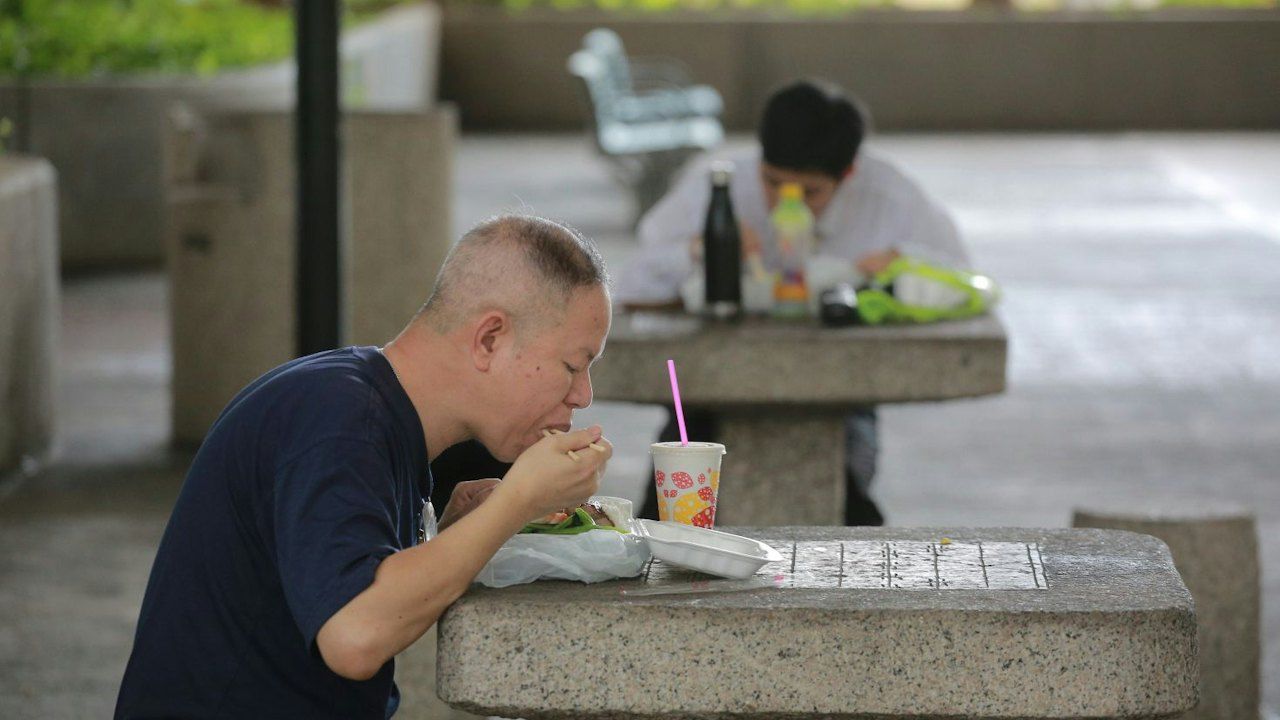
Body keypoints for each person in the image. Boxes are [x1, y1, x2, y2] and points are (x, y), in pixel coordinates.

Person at [115, 215, 614, 719]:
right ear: (489, 339)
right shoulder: (340, 422)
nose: (583, 395)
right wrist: (514, 503)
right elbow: (353, 635)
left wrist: (457, 531)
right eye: (573, 366)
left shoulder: (364, 404)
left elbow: (351, 575)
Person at [615, 79, 973, 526]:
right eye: (773, 182)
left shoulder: (890, 199)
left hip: (843, 390)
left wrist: (905, 266)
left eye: (809, 193)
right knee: (673, 506)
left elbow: (964, 282)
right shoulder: (719, 186)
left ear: (848, 175)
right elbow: (629, 285)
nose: (786, 201)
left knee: (848, 503)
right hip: (705, 388)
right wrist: (699, 248)